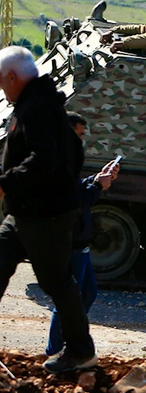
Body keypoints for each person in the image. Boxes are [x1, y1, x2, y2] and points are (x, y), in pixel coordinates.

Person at [0, 47, 96, 373]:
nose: (1, 89)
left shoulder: (38, 107)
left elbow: (46, 159)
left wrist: (6, 183)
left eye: (1, 82)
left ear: (12, 77)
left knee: (57, 282)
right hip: (24, 213)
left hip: (45, 216)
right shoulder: (39, 103)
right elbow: (73, 152)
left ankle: (81, 353)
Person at [47, 114, 119, 357]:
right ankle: (55, 352)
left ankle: (67, 344)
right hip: (68, 242)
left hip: (79, 242)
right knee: (69, 302)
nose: (81, 140)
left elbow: (77, 190)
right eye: (78, 134)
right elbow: (74, 203)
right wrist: (98, 186)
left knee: (88, 294)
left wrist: (97, 178)